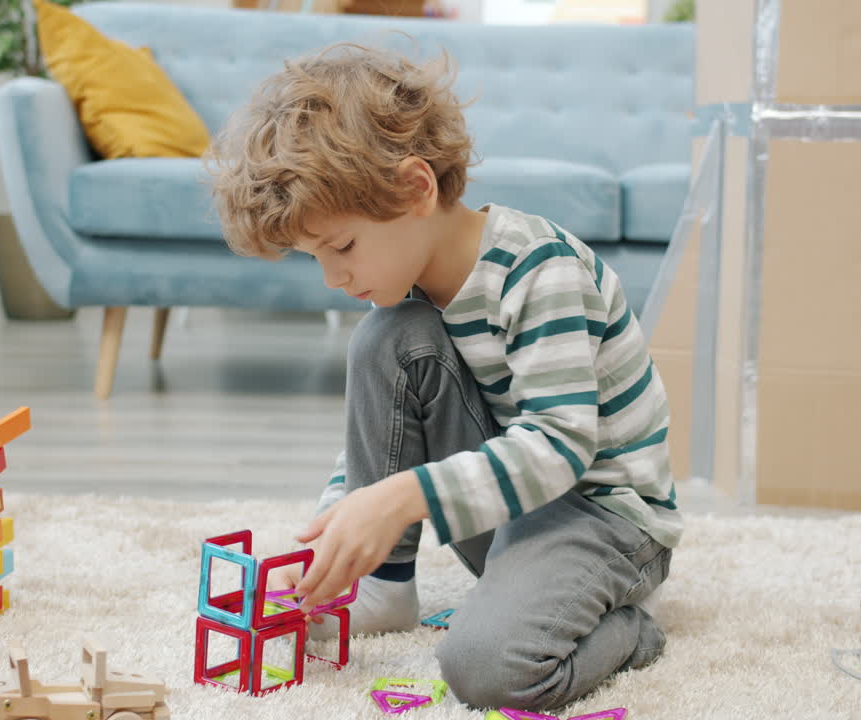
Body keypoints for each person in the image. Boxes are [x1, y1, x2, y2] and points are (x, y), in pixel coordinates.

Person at [205, 41, 681, 712]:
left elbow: (561, 447)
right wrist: (334, 539)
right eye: (315, 257)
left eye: (341, 247)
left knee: (486, 668)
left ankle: (630, 630)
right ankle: (385, 586)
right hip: (513, 510)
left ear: (415, 187)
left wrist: (401, 498)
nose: (333, 277)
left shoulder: (541, 272)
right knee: (385, 338)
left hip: (605, 517)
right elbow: (379, 451)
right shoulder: (410, 299)